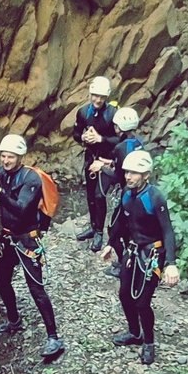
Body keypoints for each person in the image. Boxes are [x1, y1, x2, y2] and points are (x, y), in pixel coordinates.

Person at [0, 134, 65, 360]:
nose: (5, 160)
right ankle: (14, 321)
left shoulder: (31, 180)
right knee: (1, 281)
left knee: (36, 288)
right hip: (7, 237)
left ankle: (53, 337)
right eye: (2, 156)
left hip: (26, 239)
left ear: (20, 157)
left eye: (10, 157)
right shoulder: (0, 172)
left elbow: (21, 209)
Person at [99, 150, 180, 365]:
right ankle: (135, 333)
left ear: (146, 175)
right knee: (125, 294)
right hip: (133, 251)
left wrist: (171, 264)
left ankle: (149, 342)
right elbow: (120, 222)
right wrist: (110, 244)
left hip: (153, 253)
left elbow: (168, 231)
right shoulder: (127, 193)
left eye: (134, 173)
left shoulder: (155, 197)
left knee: (142, 302)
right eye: (127, 172)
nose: (128, 176)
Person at [87, 106, 144, 279]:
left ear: (119, 127)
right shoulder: (137, 143)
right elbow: (126, 164)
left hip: (128, 194)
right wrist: (110, 162)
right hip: (139, 192)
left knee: (115, 229)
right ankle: (132, 262)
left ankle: (122, 265)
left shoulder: (120, 147)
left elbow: (119, 176)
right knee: (130, 229)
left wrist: (101, 167)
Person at [72, 76, 119, 250]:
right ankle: (93, 227)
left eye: (101, 97)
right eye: (95, 96)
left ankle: (99, 232)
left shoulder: (113, 114)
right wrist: (83, 138)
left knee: (100, 195)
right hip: (91, 158)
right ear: (90, 94)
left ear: (106, 97)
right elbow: (76, 134)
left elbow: (120, 140)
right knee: (91, 195)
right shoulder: (83, 112)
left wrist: (100, 139)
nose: (98, 100)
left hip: (108, 160)